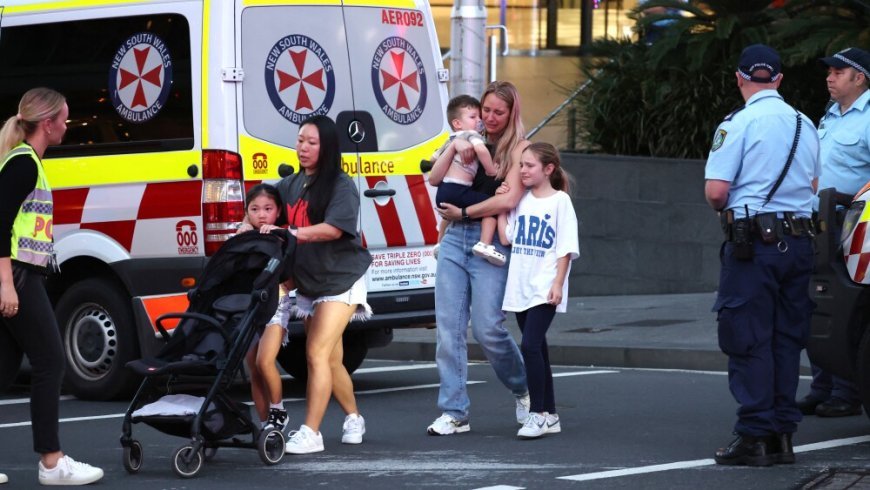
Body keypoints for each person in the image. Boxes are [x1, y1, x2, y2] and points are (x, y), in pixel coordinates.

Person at [704, 45, 820, 467]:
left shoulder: (738, 123)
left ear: (739, 78)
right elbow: (814, 184)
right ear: (779, 80)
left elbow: (717, 192)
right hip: (800, 242)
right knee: (786, 339)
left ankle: (755, 436)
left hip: (754, 245)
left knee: (748, 337)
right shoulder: (805, 123)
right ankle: (782, 436)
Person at [0, 88, 104, 485]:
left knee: (4, 368)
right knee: (51, 361)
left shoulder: (25, 161)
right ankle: (52, 462)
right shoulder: (23, 164)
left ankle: (52, 461)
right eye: (64, 118)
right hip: (17, 276)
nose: (67, 125)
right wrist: (7, 285)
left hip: (20, 274)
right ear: (47, 124)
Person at [426, 80, 530, 435]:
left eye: (498, 111)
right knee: (448, 329)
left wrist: (466, 212)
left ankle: (523, 388)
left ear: (512, 112)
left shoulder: (519, 148)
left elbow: (508, 200)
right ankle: (454, 411)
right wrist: (453, 149)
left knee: (488, 328)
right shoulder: (467, 138)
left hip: (490, 241)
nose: (490, 117)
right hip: (455, 238)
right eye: (485, 110)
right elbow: (436, 178)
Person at [270, 115, 373, 454]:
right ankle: (354, 417)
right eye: (300, 140)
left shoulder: (341, 185)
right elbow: (267, 209)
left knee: (315, 352)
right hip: (310, 283)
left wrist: (293, 233)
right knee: (329, 359)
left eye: (311, 143)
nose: (303, 147)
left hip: (342, 279)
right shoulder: (290, 184)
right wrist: (248, 224)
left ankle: (311, 432)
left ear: (326, 147)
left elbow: (333, 229)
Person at [797, 47, 870, 419]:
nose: (829, 78)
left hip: (854, 224)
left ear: (860, 77)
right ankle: (822, 386)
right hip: (820, 221)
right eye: (829, 72)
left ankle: (847, 390)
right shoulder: (829, 115)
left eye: (838, 72)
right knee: (819, 301)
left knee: (848, 304)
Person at [500, 143, 579, 439]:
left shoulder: (560, 201)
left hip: (544, 287)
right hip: (520, 285)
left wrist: (558, 283)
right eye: (521, 164)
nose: (523, 170)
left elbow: (566, 248)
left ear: (548, 169)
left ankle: (537, 414)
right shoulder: (521, 200)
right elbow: (506, 238)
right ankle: (551, 414)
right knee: (538, 349)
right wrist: (502, 205)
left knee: (530, 346)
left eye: (529, 165)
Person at [241, 183, 293, 432]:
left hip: (276, 304)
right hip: (249, 306)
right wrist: (243, 232)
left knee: (264, 361)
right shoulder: (242, 236)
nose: (261, 215)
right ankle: (264, 425)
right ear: (247, 212)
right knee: (253, 367)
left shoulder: (283, 235)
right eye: (255, 209)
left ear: (278, 211)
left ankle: (278, 410)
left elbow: (290, 278)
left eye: (268, 209)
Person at [430, 95, 504, 265]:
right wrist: (491, 170)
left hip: (444, 191)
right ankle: (484, 244)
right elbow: (482, 151)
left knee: (447, 215)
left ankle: (440, 243)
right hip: (458, 189)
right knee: (492, 205)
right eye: (473, 117)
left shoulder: (451, 138)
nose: (479, 120)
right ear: (457, 123)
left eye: (479, 116)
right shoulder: (471, 135)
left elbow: (434, 159)